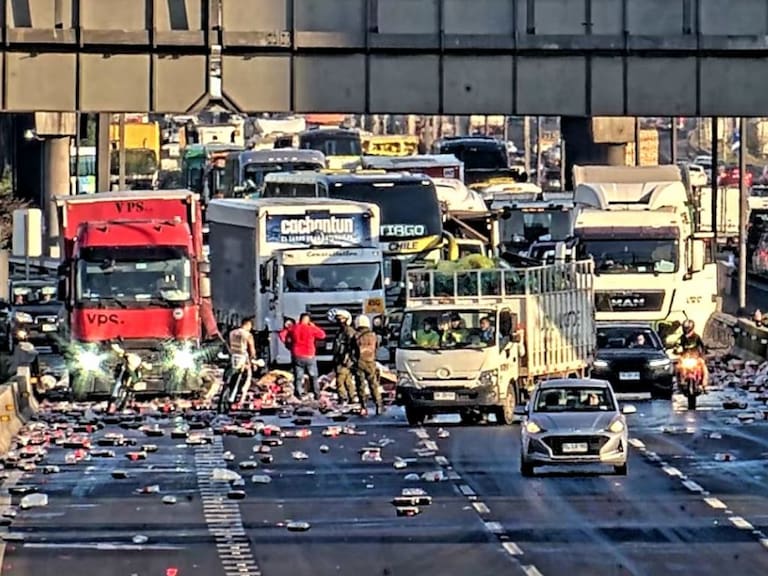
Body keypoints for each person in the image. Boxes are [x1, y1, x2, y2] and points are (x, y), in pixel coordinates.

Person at [279, 313, 326, 400]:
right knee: (313, 376)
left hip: (297, 354)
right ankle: (317, 394)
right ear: (308, 320)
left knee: (298, 376)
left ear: (300, 319)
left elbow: (282, 334)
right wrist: (314, 326)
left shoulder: (294, 327)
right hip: (309, 355)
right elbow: (322, 335)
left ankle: (299, 394)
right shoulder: (311, 328)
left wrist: (288, 344)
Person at [353, 315, 383, 416]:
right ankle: (378, 405)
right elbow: (377, 347)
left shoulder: (356, 336)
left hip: (359, 362)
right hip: (371, 362)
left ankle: (363, 406)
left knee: (360, 385)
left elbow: (352, 349)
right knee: (373, 384)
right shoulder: (374, 335)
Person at [329, 308, 358, 405]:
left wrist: (347, 358)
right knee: (347, 380)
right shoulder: (341, 331)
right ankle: (351, 397)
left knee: (340, 380)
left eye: (341, 319)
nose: (339, 321)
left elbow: (351, 346)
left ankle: (343, 397)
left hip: (344, 360)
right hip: (341, 359)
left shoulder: (348, 331)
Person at [228, 316, 257, 404]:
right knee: (247, 377)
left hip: (233, 357)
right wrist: (253, 361)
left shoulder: (232, 333)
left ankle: (231, 395)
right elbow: (252, 349)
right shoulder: (248, 335)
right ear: (248, 325)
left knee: (234, 377)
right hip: (243, 357)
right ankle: (241, 397)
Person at [677, 319, 709, 389]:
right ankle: (680, 382)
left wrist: (703, 354)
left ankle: (704, 384)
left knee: (704, 367)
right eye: (685, 328)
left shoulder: (696, 337)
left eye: (687, 328)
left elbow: (702, 346)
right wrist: (676, 350)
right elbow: (678, 345)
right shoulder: (682, 337)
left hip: (695, 357)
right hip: (685, 357)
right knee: (678, 367)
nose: (686, 330)